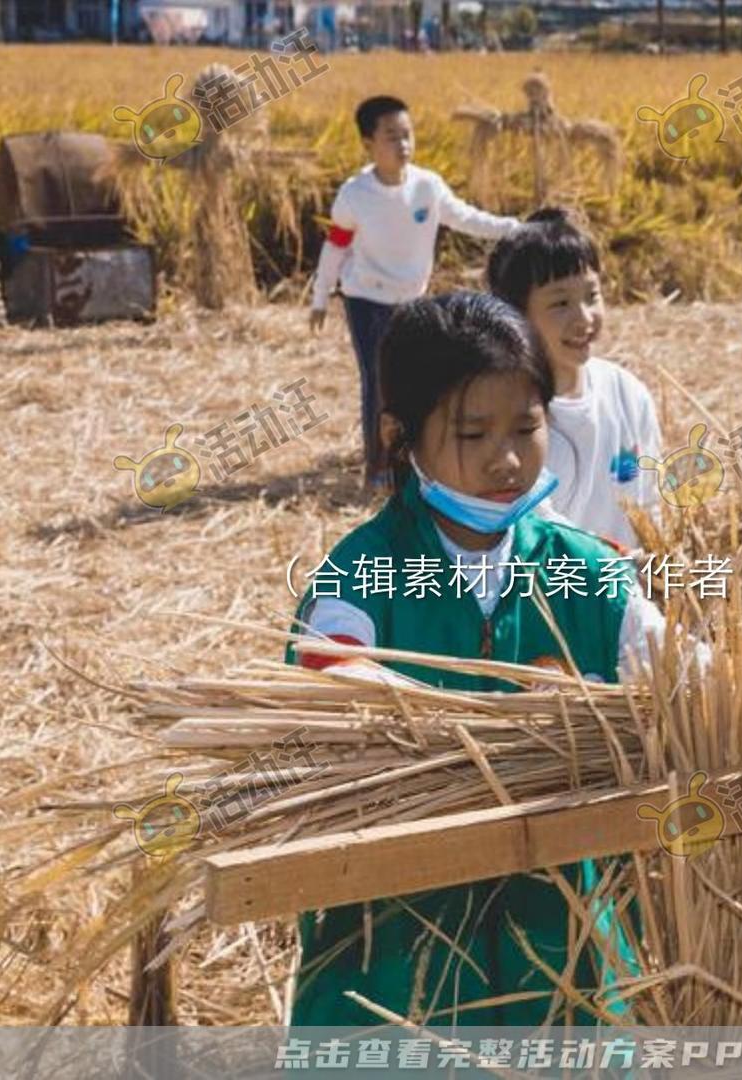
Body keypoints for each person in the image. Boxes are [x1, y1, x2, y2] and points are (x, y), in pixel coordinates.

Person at [283, 290, 655, 1027]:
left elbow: (677, 666)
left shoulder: (587, 573)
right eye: (474, 433)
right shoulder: (361, 577)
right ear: (400, 434)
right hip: (395, 972)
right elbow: (335, 684)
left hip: (563, 962)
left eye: (527, 427)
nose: (508, 459)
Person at [309, 96, 521, 488]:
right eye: (391, 136)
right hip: (366, 300)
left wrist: (513, 228)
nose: (403, 144)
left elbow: (466, 218)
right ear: (368, 143)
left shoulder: (428, 186)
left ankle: (416, 460)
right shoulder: (355, 195)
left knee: (415, 382)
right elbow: (336, 246)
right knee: (378, 382)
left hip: (412, 301)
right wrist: (320, 297)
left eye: (407, 135)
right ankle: (379, 469)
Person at [487, 207, 662, 548]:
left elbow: (650, 501)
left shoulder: (627, 394)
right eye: (560, 303)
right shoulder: (504, 417)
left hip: (624, 591)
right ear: (517, 316)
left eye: (592, 297)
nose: (584, 318)